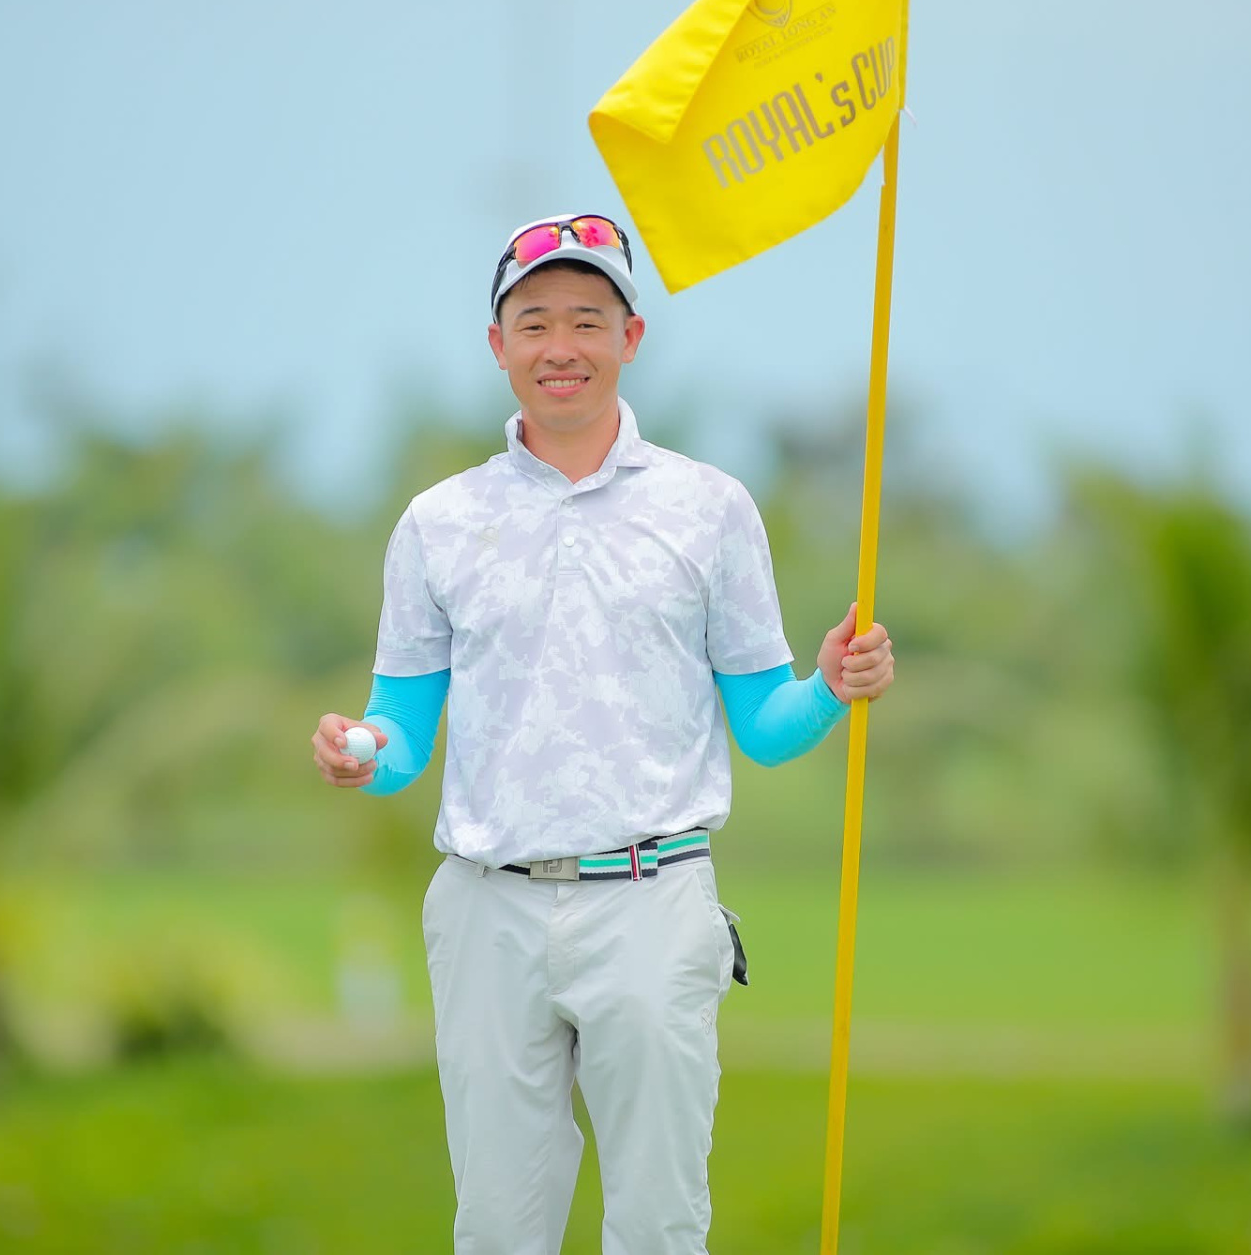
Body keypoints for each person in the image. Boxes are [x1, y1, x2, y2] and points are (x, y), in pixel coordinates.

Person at [309, 212, 896, 1254]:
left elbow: (764, 727)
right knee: (497, 1227)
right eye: (534, 322)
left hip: (653, 898)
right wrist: (364, 751)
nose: (561, 346)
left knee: (661, 1222)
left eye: (588, 319)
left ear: (631, 336)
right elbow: (404, 732)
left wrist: (829, 687)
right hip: (488, 907)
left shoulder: (710, 508)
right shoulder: (439, 522)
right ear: (499, 346)